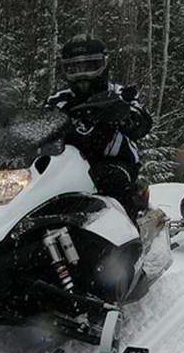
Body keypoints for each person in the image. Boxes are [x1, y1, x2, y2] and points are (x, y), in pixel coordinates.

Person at [44, 34, 152, 220]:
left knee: (110, 179)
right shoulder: (58, 100)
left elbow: (142, 123)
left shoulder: (120, 94)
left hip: (115, 161)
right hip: (66, 164)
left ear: (104, 65)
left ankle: (127, 230)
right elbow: (39, 126)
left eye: (90, 66)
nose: (82, 75)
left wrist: (125, 115)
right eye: (74, 68)